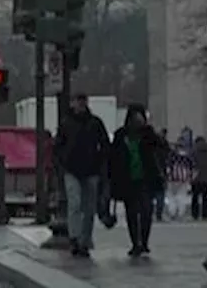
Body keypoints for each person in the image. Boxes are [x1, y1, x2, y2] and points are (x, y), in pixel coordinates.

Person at [54, 93, 112, 257]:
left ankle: (84, 240)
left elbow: (105, 145)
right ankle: (75, 238)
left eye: (82, 102)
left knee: (88, 208)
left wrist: (101, 162)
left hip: (91, 170)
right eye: (78, 102)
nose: (80, 105)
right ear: (73, 104)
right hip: (72, 169)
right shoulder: (67, 124)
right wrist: (62, 164)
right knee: (75, 202)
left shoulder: (94, 123)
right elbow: (57, 146)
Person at [109, 104, 166, 256]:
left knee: (147, 211)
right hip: (127, 178)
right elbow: (113, 157)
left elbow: (162, 146)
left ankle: (144, 241)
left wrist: (149, 131)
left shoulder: (148, 134)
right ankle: (135, 243)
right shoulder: (121, 135)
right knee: (132, 212)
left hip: (146, 177)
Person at [154, 127, 171, 221]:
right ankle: (158, 214)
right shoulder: (165, 146)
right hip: (161, 172)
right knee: (160, 194)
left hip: (154, 172)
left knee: (153, 194)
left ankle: (154, 213)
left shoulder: (152, 146)